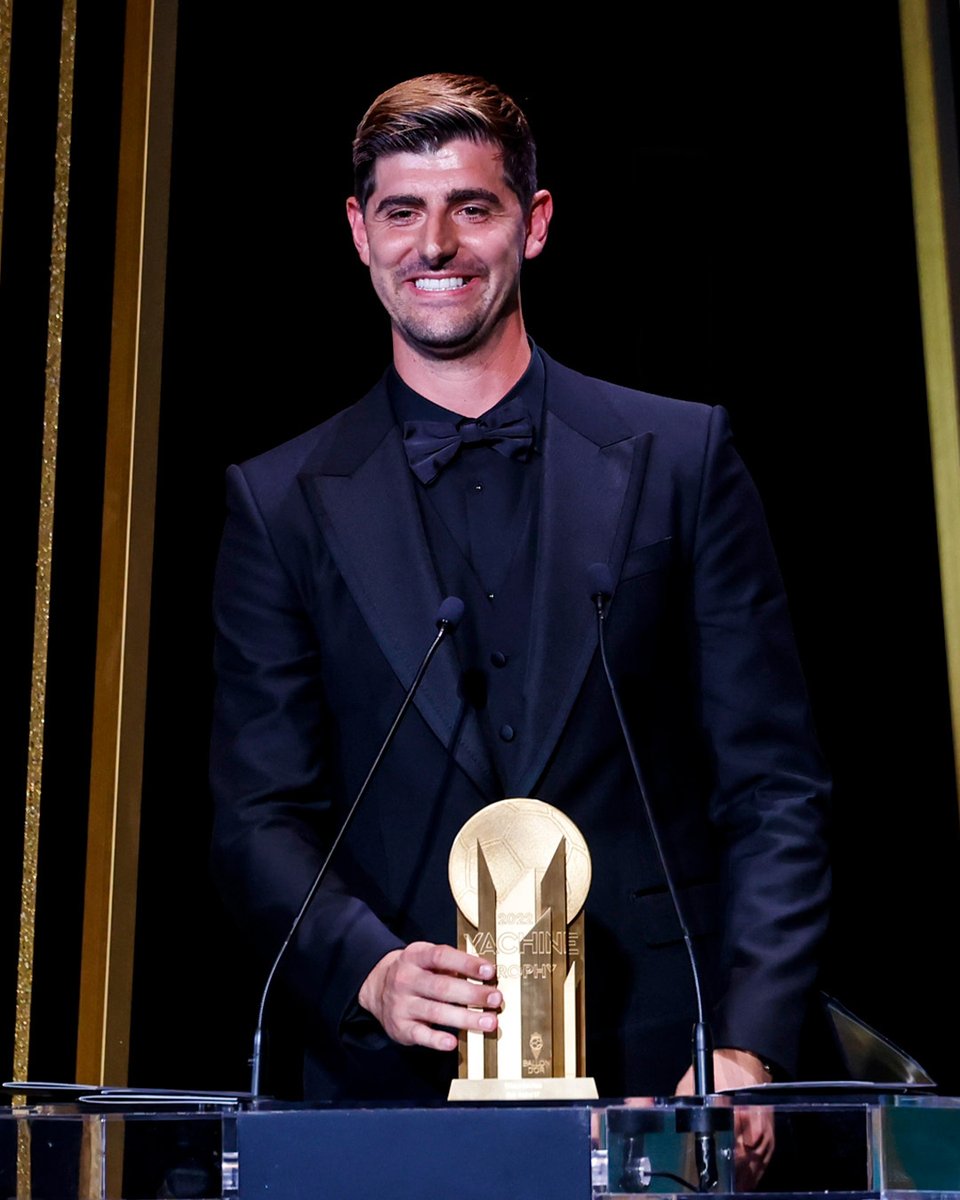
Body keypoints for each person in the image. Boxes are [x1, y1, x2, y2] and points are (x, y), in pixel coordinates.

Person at [210, 73, 829, 1180]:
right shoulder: (279, 500)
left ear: (534, 225)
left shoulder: (682, 460)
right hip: (391, 1094)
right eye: (403, 211)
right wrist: (367, 970)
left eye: (473, 207)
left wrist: (746, 1041)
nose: (434, 243)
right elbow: (259, 815)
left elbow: (772, 787)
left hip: (666, 1079)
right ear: (359, 233)